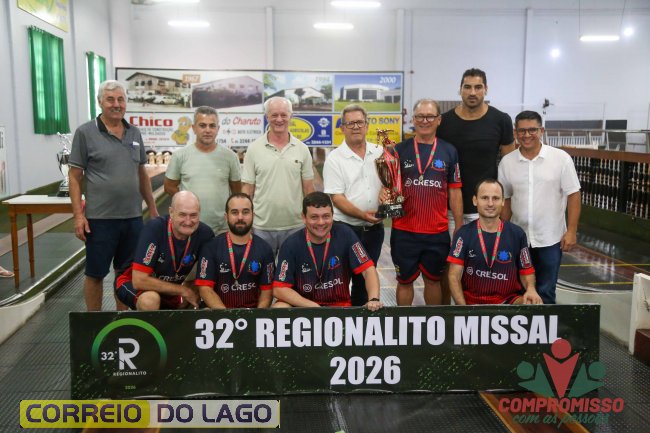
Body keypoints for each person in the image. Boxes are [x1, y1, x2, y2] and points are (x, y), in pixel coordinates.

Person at [69, 80, 159, 311]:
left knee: (126, 273)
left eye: (121, 99)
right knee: (95, 273)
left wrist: (152, 207)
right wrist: (78, 216)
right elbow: (74, 177)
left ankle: (122, 320)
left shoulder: (134, 132)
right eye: (110, 99)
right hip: (100, 219)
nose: (116, 104)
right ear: (100, 102)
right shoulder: (85, 133)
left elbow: (141, 174)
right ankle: (93, 322)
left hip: (132, 218)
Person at [498, 110, 581, 304]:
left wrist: (571, 231)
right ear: (515, 132)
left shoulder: (560, 158)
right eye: (522, 131)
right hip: (518, 240)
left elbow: (574, 195)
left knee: (546, 291)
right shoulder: (507, 162)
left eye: (532, 130)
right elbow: (506, 199)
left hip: (550, 239)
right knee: (517, 291)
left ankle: (545, 324)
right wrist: (501, 233)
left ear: (541, 130)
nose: (527, 135)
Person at [390, 99, 463, 306]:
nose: (425, 121)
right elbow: (390, 187)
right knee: (404, 282)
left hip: (436, 232)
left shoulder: (449, 151)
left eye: (430, 116)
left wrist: (458, 226)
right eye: (420, 116)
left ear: (439, 120)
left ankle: (434, 324)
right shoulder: (398, 150)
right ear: (413, 120)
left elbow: (455, 191)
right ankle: (403, 323)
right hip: (404, 230)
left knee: (433, 281)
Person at [272, 192, 382, 311]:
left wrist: (374, 299)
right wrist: (315, 308)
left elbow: (368, 269)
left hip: (338, 307)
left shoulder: (346, 234)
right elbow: (279, 289)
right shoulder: (291, 244)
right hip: (303, 308)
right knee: (279, 307)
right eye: (314, 217)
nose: (321, 222)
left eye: (326, 216)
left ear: (332, 215)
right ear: (304, 217)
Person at [436, 68, 515, 230]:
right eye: (467, 87)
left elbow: (510, 167)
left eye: (478, 87)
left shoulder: (501, 120)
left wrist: (504, 209)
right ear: (460, 89)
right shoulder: (443, 122)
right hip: (449, 210)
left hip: (487, 208)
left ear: (486, 89)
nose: (472, 92)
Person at [323, 104, 384, 306]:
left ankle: (362, 320)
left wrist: (387, 195)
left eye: (359, 122)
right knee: (339, 279)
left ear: (367, 125)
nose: (355, 127)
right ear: (342, 128)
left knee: (364, 282)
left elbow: (390, 183)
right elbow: (337, 197)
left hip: (374, 230)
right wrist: (363, 215)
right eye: (350, 123)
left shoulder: (380, 152)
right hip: (345, 229)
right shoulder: (334, 158)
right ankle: (339, 320)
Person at [447, 178, 541, 305]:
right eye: (485, 198)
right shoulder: (463, 234)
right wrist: (463, 309)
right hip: (472, 303)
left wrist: (531, 289)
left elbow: (526, 270)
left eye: (495, 198)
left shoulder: (517, 234)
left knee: (531, 303)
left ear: (503, 201)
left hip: (507, 301)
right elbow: (454, 276)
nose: (490, 203)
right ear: (475, 200)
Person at [114, 191, 213, 311]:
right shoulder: (155, 229)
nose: (188, 221)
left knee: (201, 290)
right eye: (182, 215)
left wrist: (192, 292)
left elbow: (208, 276)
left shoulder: (205, 235)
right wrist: (183, 290)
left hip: (169, 290)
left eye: (193, 215)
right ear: (171, 212)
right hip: (132, 282)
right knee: (150, 300)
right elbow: (139, 281)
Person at [241, 96, 315, 255]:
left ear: (291, 116)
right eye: (274, 115)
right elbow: (247, 190)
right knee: (261, 270)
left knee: (293, 270)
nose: (279, 119)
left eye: (283, 115)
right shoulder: (253, 149)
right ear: (267, 117)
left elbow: (309, 189)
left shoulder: (302, 149)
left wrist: (312, 219)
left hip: (296, 226)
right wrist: (246, 221)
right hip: (261, 227)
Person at [164, 106, 242, 234]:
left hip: (222, 227)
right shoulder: (180, 156)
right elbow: (169, 187)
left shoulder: (230, 157)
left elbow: (237, 190)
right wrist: (187, 204)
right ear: (194, 128)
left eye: (212, 126)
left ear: (218, 129)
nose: (207, 130)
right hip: (190, 225)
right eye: (202, 125)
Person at [195, 193, 275, 309]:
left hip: (252, 314)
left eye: (245, 212)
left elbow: (267, 291)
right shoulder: (210, 247)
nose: (240, 217)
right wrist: (227, 316)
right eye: (234, 212)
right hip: (219, 314)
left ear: (253, 215)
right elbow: (205, 289)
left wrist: (256, 316)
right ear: (226, 216)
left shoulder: (265, 249)